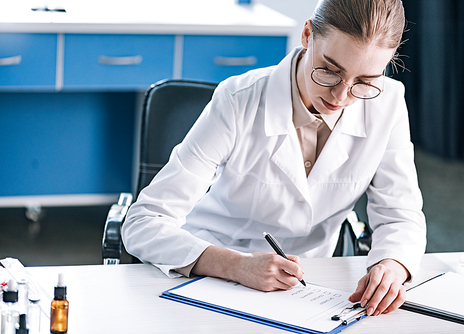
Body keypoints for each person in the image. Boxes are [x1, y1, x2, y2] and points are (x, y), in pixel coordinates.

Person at [122, 0, 426, 317]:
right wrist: (234, 265)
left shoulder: (388, 104)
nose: (340, 96)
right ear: (307, 35)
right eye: (330, 71)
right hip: (210, 276)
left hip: (309, 291)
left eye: (364, 81)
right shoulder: (239, 99)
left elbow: (401, 214)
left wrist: (393, 265)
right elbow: (142, 223)